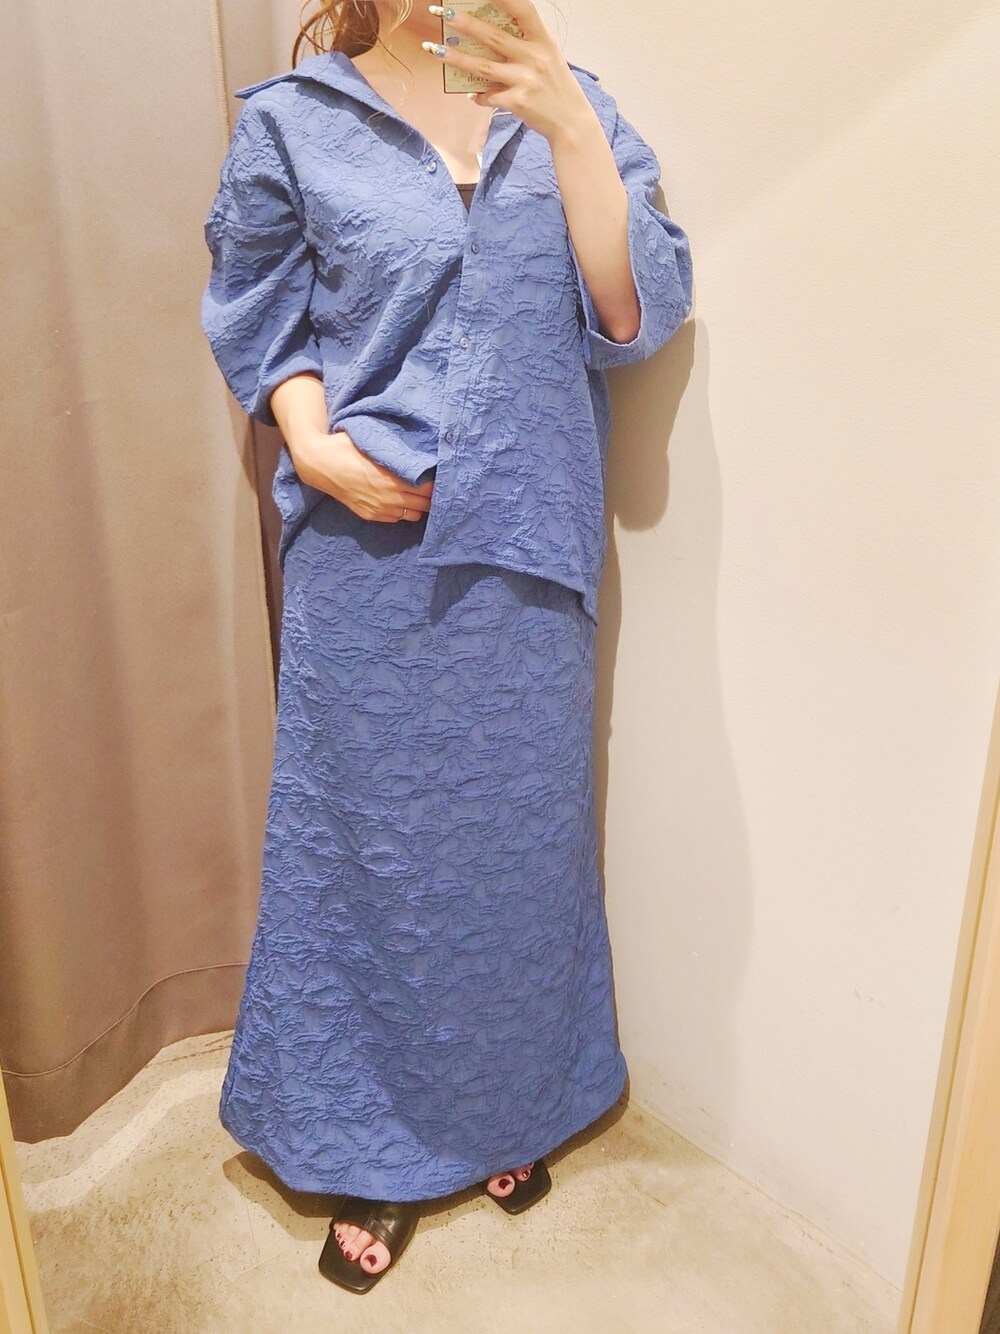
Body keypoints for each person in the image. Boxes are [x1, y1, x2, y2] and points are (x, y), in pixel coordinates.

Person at [200, 0, 692, 1296]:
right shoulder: (293, 124)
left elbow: (634, 316)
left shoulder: (577, 105)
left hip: (529, 551)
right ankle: (368, 1144)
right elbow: (258, 307)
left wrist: (569, 125)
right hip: (368, 557)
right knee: (367, 860)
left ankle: (509, 1105)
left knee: (515, 854)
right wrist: (314, 447)